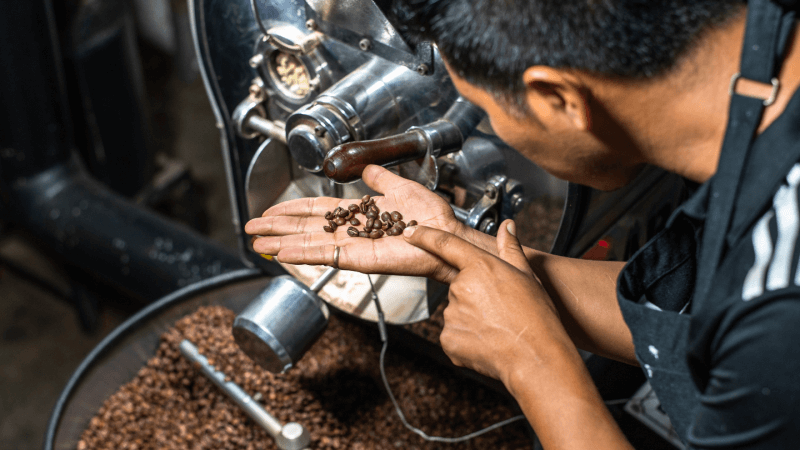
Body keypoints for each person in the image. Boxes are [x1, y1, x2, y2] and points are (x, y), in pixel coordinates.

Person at [246, 0, 800, 448]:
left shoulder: (776, 315)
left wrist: (534, 361)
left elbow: (755, 330)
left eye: (482, 107)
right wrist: (461, 249)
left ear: (557, 98)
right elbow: (704, 312)